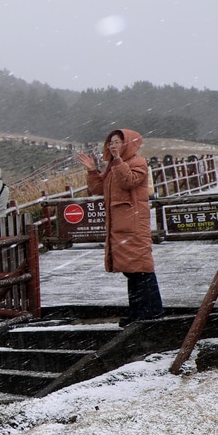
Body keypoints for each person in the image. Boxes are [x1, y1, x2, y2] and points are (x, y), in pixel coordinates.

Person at [77, 128, 164, 324]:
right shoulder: (111, 166)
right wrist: (92, 170)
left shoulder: (137, 162)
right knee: (131, 270)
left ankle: (151, 313)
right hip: (120, 226)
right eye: (111, 142)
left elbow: (129, 181)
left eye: (117, 141)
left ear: (128, 143)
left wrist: (117, 161)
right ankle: (139, 313)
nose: (112, 145)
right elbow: (97, 189)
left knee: (142, 269)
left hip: (134, 225)